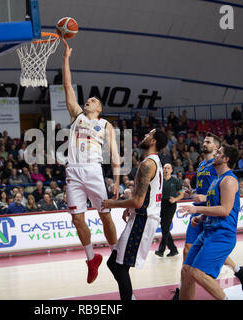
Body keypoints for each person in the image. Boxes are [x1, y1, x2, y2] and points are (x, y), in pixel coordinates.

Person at [62, 38, 121, 284]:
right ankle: (91, 259)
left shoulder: (106, 124)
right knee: (77, 218)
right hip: (73, 172)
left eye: (94, 101)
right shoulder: (76, 115)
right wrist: (66, 59)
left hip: (94, 171)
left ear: (99, 109)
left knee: (105, 216)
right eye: (88, 100)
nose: (89, 101)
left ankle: (117, 254)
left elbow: (115, 154)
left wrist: (117, 180)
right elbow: (67, 87)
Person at [171, 133, 243, 300]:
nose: (215, 154)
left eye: (219, 153)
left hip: (221, 234)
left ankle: (235, 278)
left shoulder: (228, 180)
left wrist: (197, 211)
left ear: (226, 159)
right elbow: (212, 202)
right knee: (186, 271)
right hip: (208, 230)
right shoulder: (215, 179)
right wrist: (201, 218)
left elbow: (224, 210)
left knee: (198, 273)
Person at [101, 128, 168, 300]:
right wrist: (128, 207)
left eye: (148, 134)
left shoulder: (147, 165)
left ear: (153, 142)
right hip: (141, 216)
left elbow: (138, 202)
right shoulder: (154, 162)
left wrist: (112, 203)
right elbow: (141, 198)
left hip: (143, 220)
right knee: (113, 263)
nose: (145, 136)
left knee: (120, 267)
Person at [155, 163, 183, 258]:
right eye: (165, 168)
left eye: (168, 168)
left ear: (171, 170)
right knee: (164, 227)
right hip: (161, 204)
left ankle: (161, 250)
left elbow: (181, 194)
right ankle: (173, 249)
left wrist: (175, 199)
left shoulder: (175, 181)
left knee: (165, 226)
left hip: (171, 204)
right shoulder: (160, 180)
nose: (166, 169)